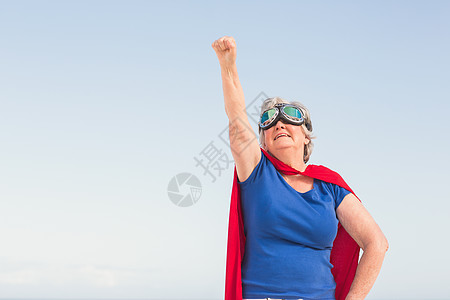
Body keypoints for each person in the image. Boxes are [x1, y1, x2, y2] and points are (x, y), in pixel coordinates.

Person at [212, 36, 389, 300]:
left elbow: (377, 243)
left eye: (291, 118)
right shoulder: (257, 172)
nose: (279, 124)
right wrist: (228, 66)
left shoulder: (330, 186)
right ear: (263, 141)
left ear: (306, 136)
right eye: (269, 121)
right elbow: (238, 126)